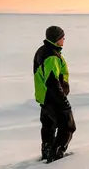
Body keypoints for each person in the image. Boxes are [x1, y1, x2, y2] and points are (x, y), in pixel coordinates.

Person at [33, 25, 76, 163]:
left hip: (45, 98)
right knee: (67, 126)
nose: (64, 40)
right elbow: (52, 81)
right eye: (63, 37)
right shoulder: (52, 56)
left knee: (48, 127)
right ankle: (56, 158)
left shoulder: (43, 51)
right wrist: (63, 101)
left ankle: (47, 153)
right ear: (57, 39)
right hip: (53, 98)